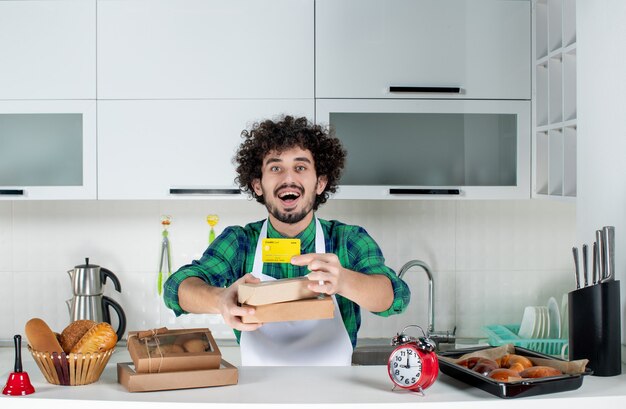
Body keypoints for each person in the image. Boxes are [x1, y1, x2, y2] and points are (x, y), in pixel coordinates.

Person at [163, 115, 410, 366]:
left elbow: (395, 297)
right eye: (275, 167)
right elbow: (176, 288)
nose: (288, 178)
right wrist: (220, 299)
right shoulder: (239, 242)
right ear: (258, 185)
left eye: (300, 167)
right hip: (259, 398)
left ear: (320, 183)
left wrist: (344, 280)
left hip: (334, 396)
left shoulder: (348, 239)